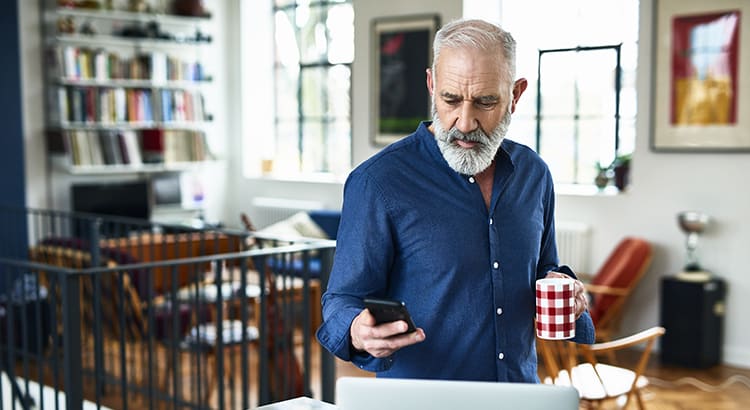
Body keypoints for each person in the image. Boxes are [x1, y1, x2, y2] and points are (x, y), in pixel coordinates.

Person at [316, 18, 594, 383]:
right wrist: (356, 329)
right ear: (432, 85)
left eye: (485, 101)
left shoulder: (535, 175)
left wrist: (569, 294)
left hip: (518, 395)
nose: (465, 122)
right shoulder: (378, 182)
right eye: (450, 99)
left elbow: (544, 270)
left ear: (516, 94)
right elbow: (341, 300)